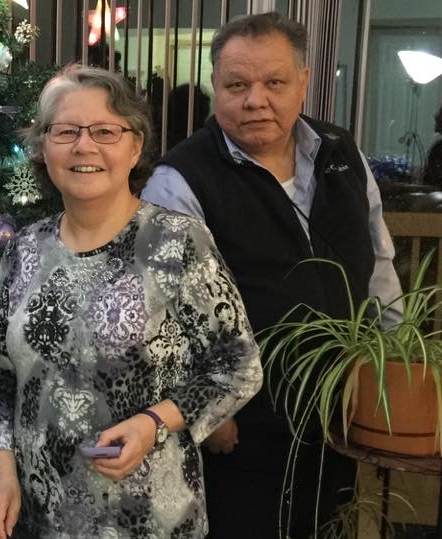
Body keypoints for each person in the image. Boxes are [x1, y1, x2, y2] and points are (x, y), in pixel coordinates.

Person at [141, 12, 405, 538]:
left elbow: (379, 265)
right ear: (216, 86)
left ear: (304, 82)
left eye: (274, 83)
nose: (255, 100)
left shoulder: (342, 153)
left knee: (329, 522)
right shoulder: (181, 178)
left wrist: (394, 365)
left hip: (343, 407)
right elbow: (157, 314)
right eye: (237, 85)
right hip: (244, 424)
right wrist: (207, 414)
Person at [0, 64, 263, 538]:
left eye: (105, 131)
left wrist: (154, 423)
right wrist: (2, 472)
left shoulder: (177, 242)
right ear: (45, 148)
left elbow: (239, 365)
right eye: (65, 131)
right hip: (41, 519)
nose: (84, 146)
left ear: (134, 147)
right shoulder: (25, 249)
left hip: (150, 520)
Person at [422, 103, 442, 189]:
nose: (435, 116)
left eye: (440, 114)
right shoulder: (438, 147)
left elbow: (432, 184)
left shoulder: (438, 149)